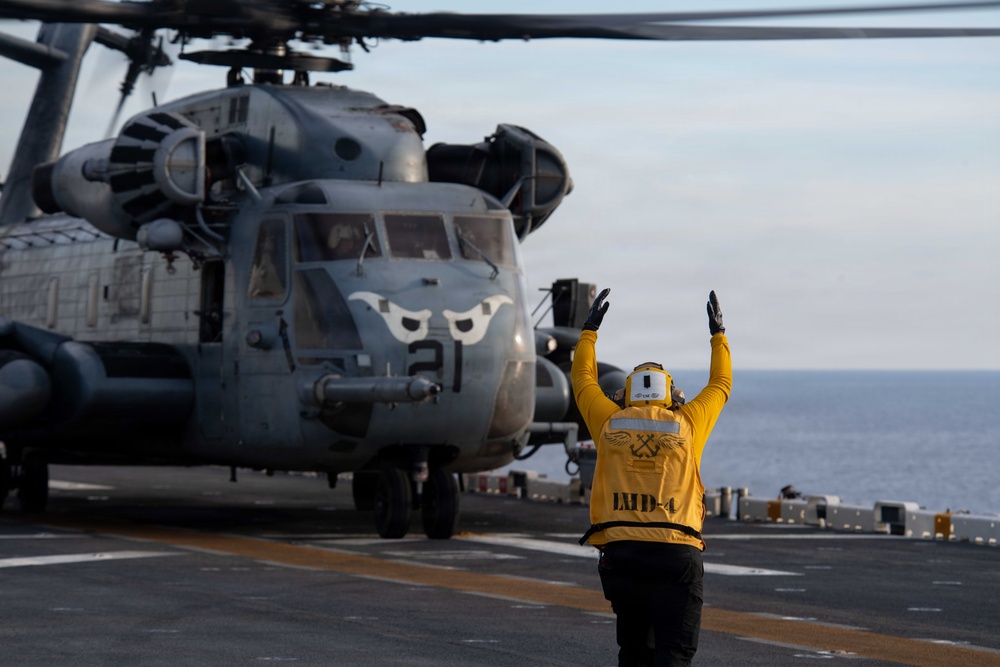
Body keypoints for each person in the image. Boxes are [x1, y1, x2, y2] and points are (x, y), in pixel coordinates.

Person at [572, 288, 732, 667]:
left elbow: (582, 379)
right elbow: (720, 384)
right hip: (676, 554)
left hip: (622, 554)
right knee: (673, 654)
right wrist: (718, 335)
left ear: (625, 393)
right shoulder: (688, 422)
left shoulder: (609, 420)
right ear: (672, 393)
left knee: (634, 653)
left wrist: (589, 331)